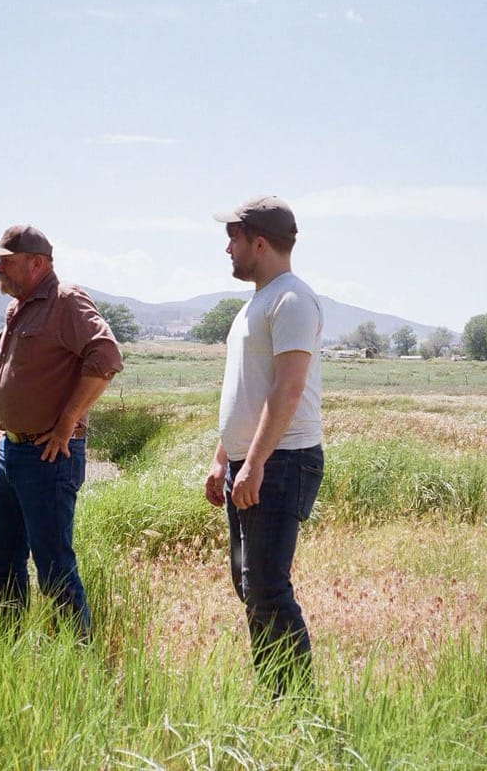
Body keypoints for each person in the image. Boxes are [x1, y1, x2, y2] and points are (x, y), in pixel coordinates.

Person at [203, 196, 324, 696]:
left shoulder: (291, 300)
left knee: (267, 587)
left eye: (232, 238)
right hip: (249, 463)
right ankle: (276, 694)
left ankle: (298, 707)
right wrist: (222, 460)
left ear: (258, 241)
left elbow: (287, 390)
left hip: (281, 462)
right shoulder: (256, 302)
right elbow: (246, 390)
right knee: (250, 586)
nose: (226, 248)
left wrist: (252, 464)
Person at [0, 224, 123, 640]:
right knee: (2, 557)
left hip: (47, 456)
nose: (0, 268)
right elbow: (15, 372)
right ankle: (11, 647)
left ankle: (76, 660)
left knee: (53, 564)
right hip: (13, 453)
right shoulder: (19, 307)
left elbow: (107, 357)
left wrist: (67, 423)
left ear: (37, 263)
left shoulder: (66, 301)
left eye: (7, 261)